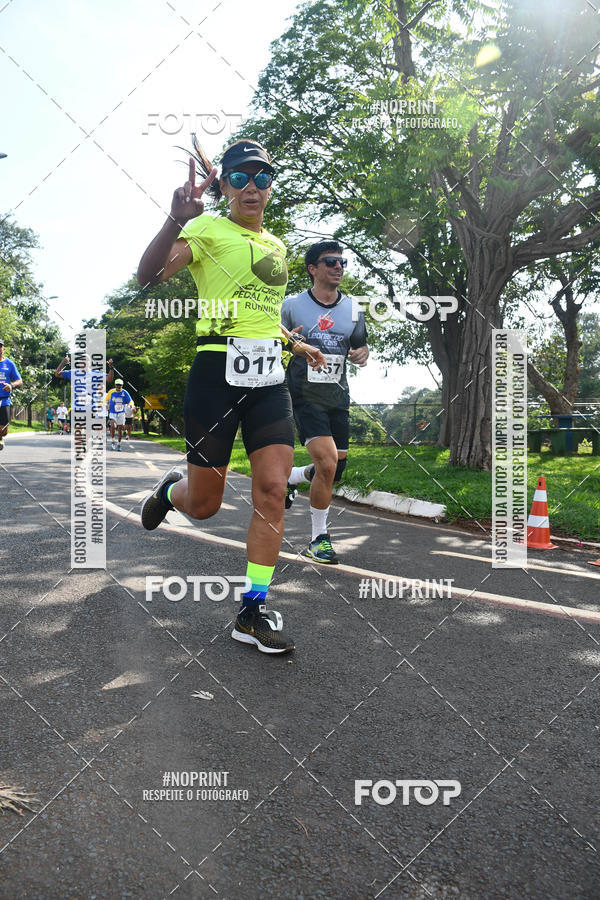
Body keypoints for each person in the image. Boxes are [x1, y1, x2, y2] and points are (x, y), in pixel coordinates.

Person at [137, 137, 326, 654]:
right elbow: (148, 276)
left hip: (269, 379)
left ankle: (251, 611)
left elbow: (261, 311)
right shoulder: (205, 228)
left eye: (262, 177)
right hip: (215, 371)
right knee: (204, 505)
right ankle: (169, 491)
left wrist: (295, 343)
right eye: (239, 177)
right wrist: (176, 219)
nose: (252, 186)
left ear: (270, 188)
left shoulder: (278, 245)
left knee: (270, 490)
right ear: (223, 185)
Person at [281, 241, 368, 564]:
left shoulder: (353, 309)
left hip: (337, 394)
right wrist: (292, 344)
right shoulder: (292, 306)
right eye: (329, 261)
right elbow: (272, 337)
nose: (338, 267)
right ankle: (319, 539)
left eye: (342, 262)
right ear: (312, 269)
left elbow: (360, 347)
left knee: (335, 470)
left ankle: (292, 478)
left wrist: (362, 354)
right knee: (327, 463)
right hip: (304, 393)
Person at [0, 339, 23, 450]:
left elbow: (19, 381)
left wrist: (11, 386)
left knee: (4, 431)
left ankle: (1, 437)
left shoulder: (9, 364)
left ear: (3, 349)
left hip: (4, 399)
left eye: (0, 347)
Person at [106, 379, 133, 451]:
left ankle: (119, 444)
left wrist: (130, 405)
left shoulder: (125, 392)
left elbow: (131, 401)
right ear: (115, 385)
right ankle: (112, 442)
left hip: (121, 413)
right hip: (112, 412)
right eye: (117, 385)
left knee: (120, 429)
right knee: (112, 425)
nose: (119, 386)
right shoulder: (111, 392)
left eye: (120, 385)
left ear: (122, 386)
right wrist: (106, 405)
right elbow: (106, 400)